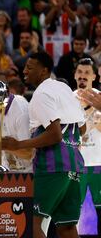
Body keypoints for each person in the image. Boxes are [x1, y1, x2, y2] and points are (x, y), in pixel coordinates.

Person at [2, 52, 86, 238]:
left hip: (52, 167)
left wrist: (17, 144)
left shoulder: (41, 93)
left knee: (30, 224)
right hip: (74, 166)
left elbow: (54, 134)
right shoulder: (64, 89)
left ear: (44, 71)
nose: (24, 71)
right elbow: (83, 128)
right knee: (67, 227)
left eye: (30, 68)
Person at [74, 58, 101, 236]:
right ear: (75, 75)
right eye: (80, 72)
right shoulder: (68, 98)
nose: (83, 76)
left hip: (99, 163)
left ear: (94, 76)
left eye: (86, 73)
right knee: (73, 214)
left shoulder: (100, 98)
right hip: (76, 164)